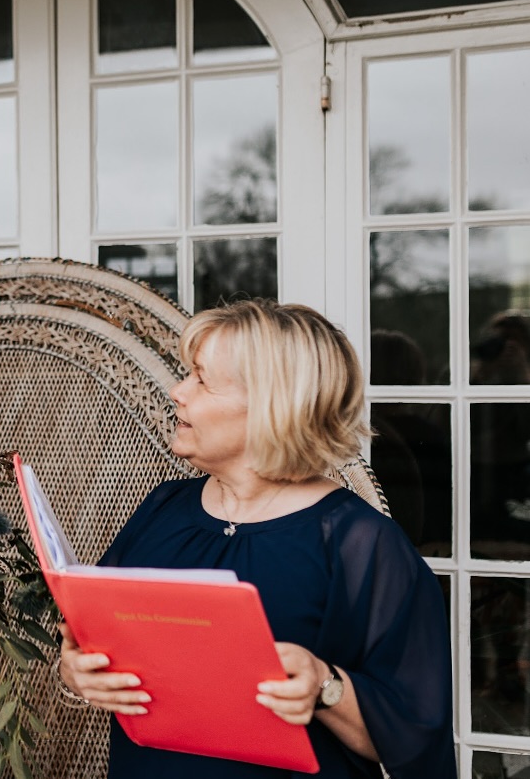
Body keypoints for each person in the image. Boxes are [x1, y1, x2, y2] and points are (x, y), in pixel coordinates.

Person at [57, 299, 456, 779]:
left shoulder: (361, 544)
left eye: (201, 380)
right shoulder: (162, 509)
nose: (177, 391)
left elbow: (414, 737)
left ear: (273, 405)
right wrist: (76, 673)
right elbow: (90, 646)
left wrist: (325, 686)